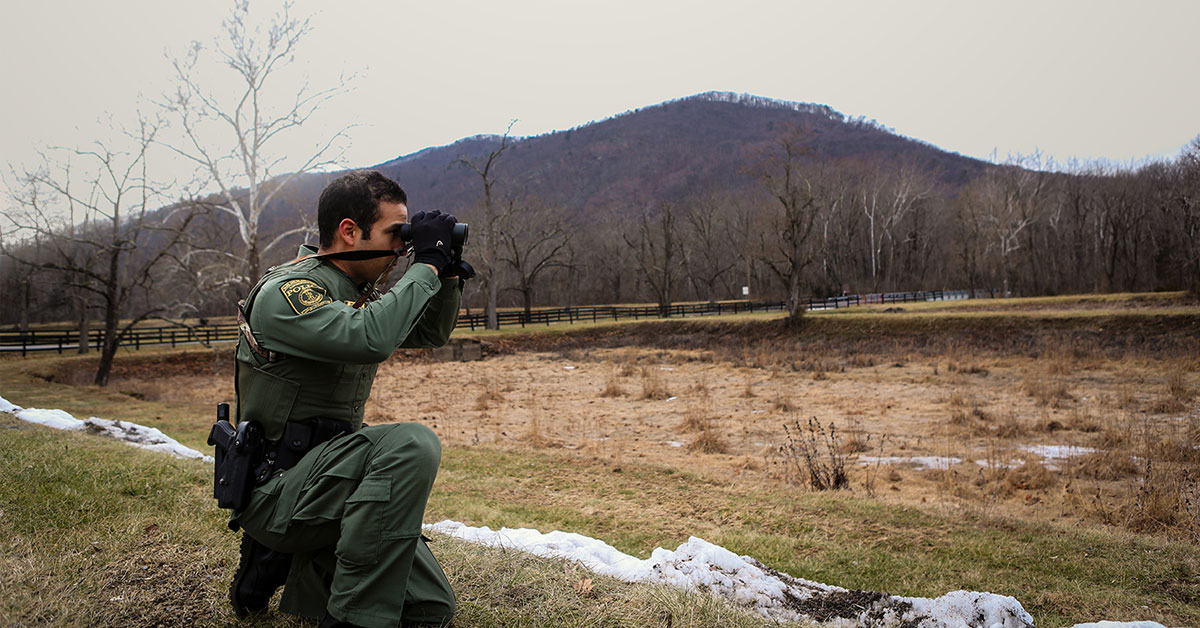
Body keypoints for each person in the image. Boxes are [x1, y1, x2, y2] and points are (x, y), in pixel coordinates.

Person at [227, 170, 463, 628]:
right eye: (396, 235)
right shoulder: (288, 292)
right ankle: (351, 617)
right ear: (349, 232)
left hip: (331, 483)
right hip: (278, 488)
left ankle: (280, 562)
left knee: (429, 609)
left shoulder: (358, 292)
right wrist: (424, 266)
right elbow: (370, 338)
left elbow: (430, 332)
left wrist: (446, 271)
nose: (401, 248)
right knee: (411, 444)